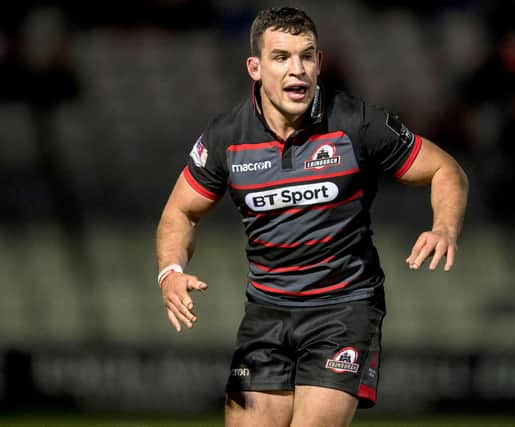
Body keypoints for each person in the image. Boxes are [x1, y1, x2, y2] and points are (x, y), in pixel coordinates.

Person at [155, 7, 468, 427]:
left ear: (319, 63)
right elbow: (180, 210)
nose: (296, 70)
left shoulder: (356, 122)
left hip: (344, 309)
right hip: (266, 313)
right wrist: (170, 270)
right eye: (281, 57)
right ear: (255, 67)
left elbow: (445, 169)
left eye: (306, 56)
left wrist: (443, 228)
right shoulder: (226, 137)